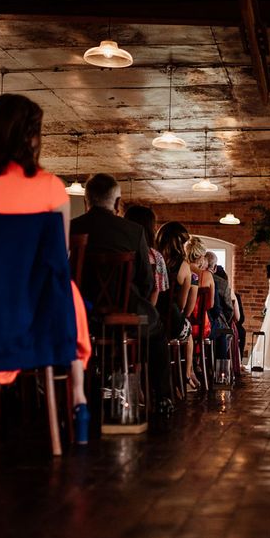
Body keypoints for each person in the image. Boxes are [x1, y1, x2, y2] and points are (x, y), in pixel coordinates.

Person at [0, 93, 91, 441]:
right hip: (26, 319)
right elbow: (59, 259)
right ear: (31, 137)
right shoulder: (50, 188)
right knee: (67, 292)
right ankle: (78, 397)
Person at [71, 173, 173, 416]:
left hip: (81, 315)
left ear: (87, 202)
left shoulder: (72, 227)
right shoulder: (134, 231)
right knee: (157, 333)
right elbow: (147, 283)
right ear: (117, 204)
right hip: (127, 314)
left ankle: (70, 395)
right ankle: (162, 398)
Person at [155, 221, 199, 392]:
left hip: (152, 320)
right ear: (180, 243)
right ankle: (186, 377)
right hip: (171, 323)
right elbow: (182, 306)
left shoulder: (153, 259)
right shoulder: (184, 266)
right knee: (188, 333)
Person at [124, 205, 169, 306]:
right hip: (141, 310)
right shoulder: (156, 257)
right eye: (155, 224)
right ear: (150, 227)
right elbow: (156, 290)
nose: (156, 228)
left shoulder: (119, 250)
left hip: (111, 308)